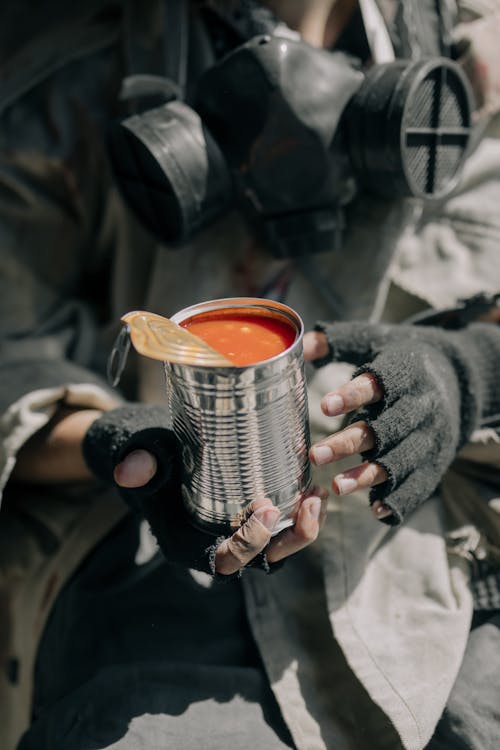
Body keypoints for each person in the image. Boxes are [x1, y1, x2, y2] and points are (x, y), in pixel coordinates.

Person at [1, 1, 500, 748]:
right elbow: (13, 351)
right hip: (148, 586)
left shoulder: (481, 68)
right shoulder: (62, 96)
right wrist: (115, 445)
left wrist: (470, 372)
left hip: (444, 581)